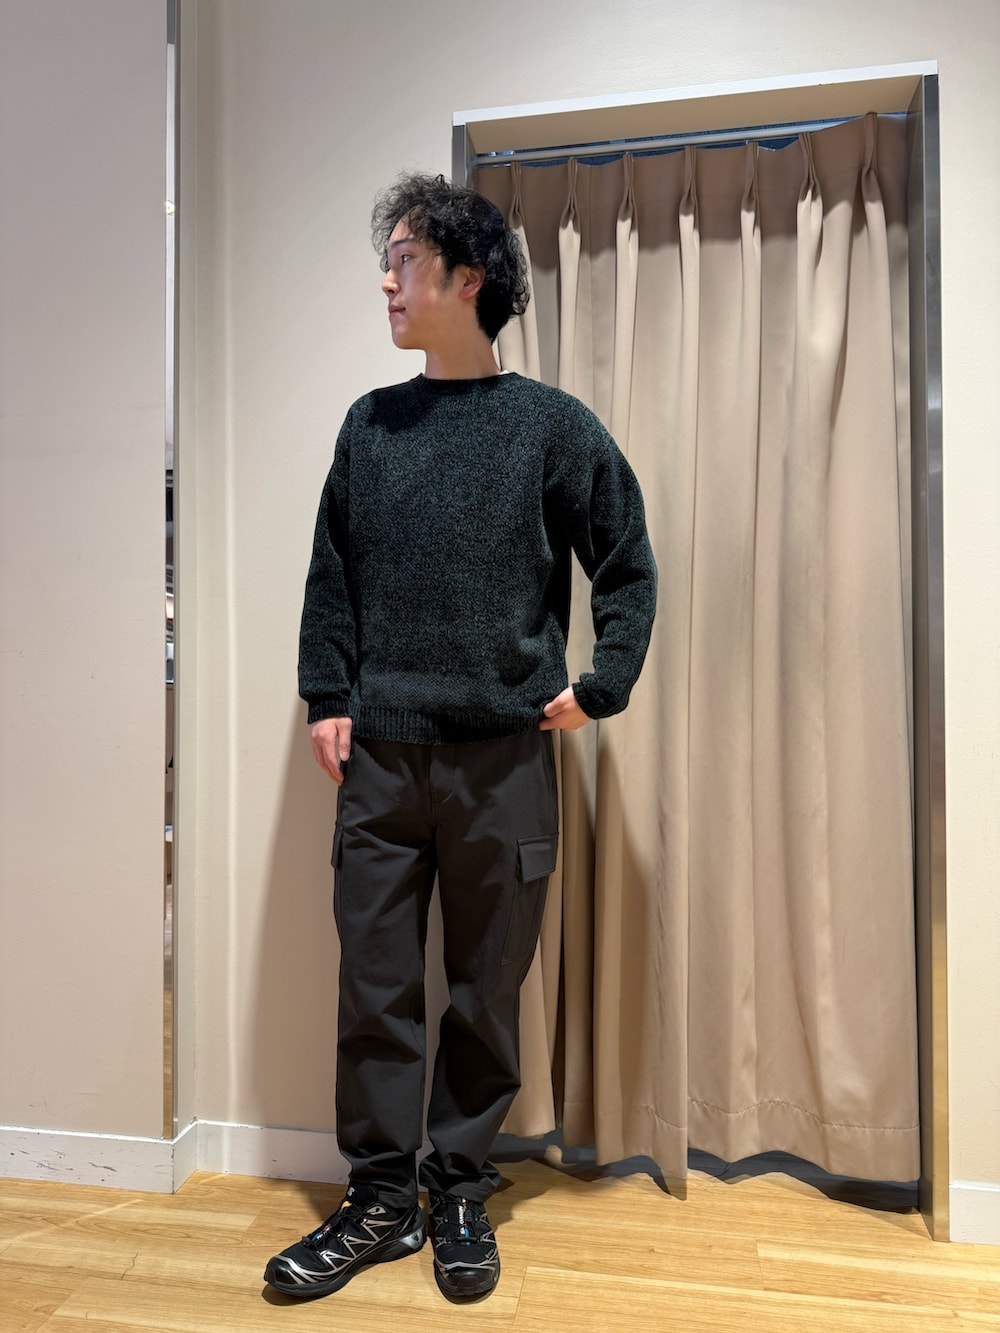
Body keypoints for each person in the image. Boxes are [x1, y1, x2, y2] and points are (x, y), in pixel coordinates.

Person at [264, 172, 657, 1305]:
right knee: (375, 988)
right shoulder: (370, 426)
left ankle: (461, 1188)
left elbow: (625, 559)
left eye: (404, 261)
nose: (386, 283)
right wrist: (325, 693)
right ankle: (381, 1198)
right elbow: (331, 572)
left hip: (504, 763)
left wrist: (602, 684)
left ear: (468, 276)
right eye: (384, 263)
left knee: (486, 991)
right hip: (381, 761)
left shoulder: (550, 427)